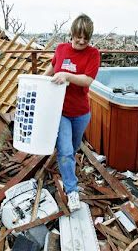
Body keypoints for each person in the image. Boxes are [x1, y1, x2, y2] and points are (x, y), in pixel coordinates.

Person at [43, 14, 100, 212]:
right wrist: (39, 82)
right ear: (72, 34)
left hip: (81, 112)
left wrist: (66, 75)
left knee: (73, 149)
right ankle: (72, 190)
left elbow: (87, 80)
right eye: (78, 37)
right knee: (65, 150)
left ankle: (67, 170)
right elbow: (51, 67)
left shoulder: (93, 54)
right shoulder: (61, 49)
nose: (82, 41)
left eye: (86, 38)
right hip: (61, 111)